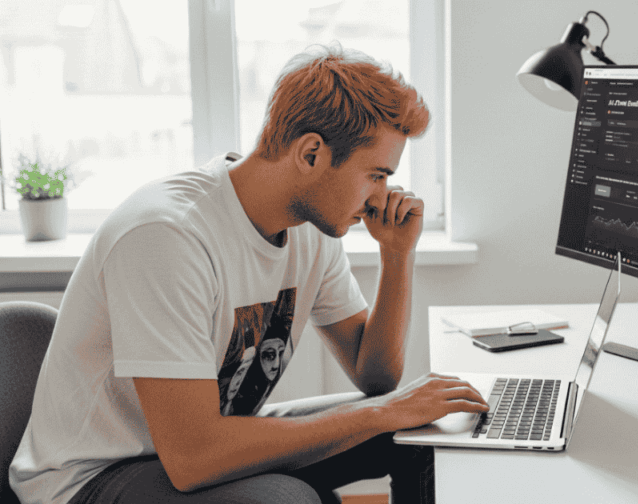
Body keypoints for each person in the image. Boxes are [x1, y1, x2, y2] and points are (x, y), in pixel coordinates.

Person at [9, 42, 489, 504]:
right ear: (311, 154)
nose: (382, 196)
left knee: (417, 433)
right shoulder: (167, 236)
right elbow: (194, 457)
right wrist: (379, 412)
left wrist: (397, 255)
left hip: (200, 444)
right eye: (376, 175)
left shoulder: (310, 228)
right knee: (287, 498)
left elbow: (376, 377)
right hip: (94, 478)